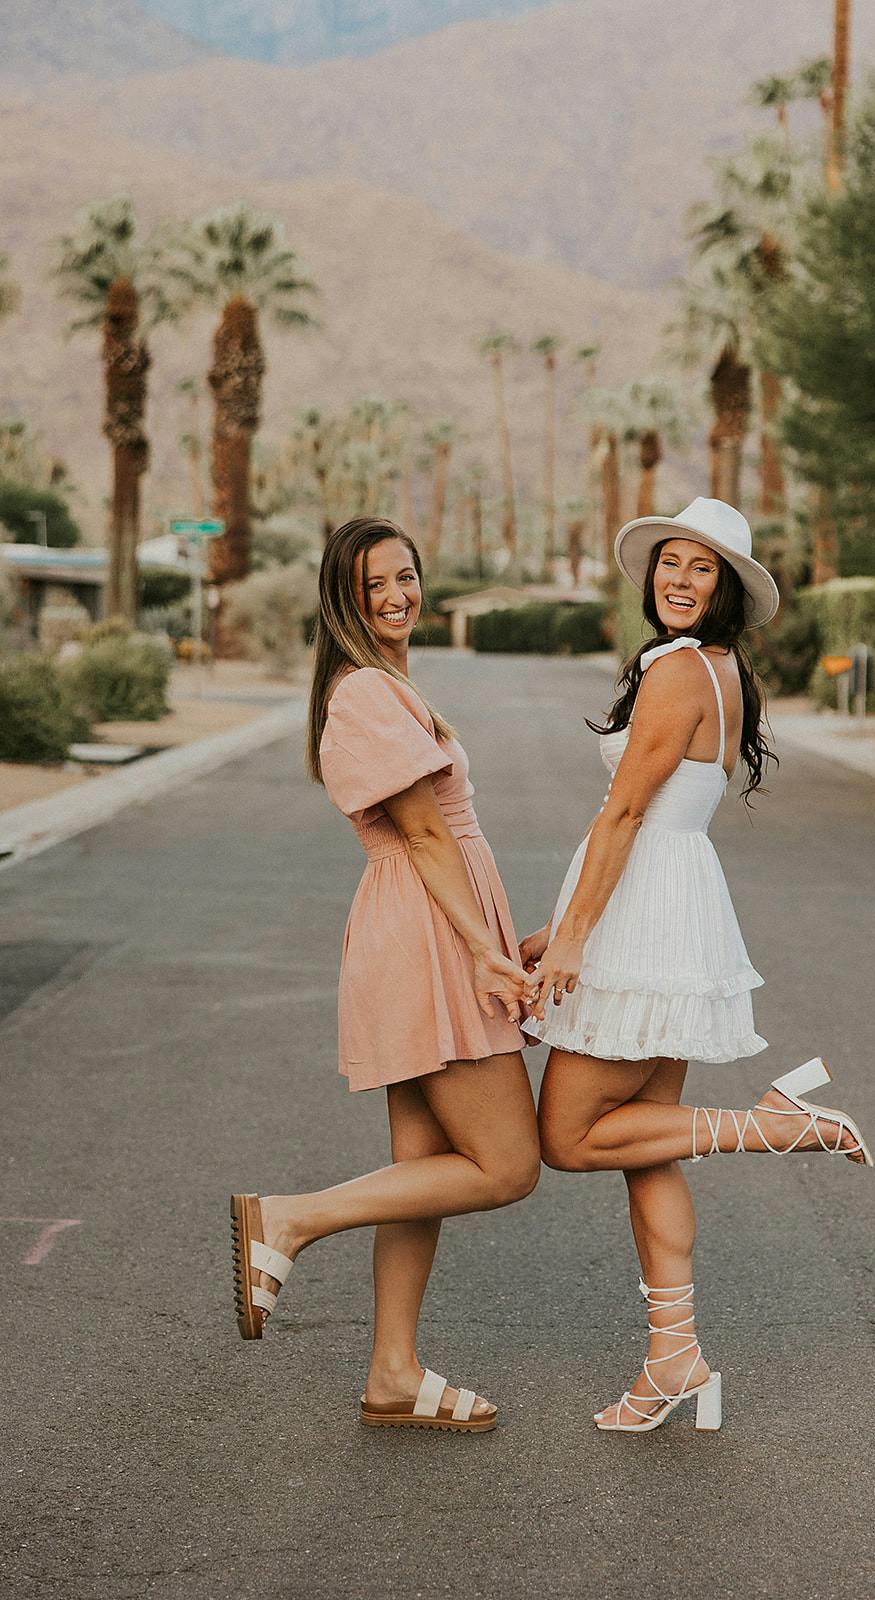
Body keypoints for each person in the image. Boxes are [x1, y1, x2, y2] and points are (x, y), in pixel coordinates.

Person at [522, 498, 872, 1435]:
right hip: (667, 907)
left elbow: (625, 815)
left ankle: (774, 1127)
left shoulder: (678, 670)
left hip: (642, 916)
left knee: (567, 1137)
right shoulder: (720, 670)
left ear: (724, 589)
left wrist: (573, 936)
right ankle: (673, 1359)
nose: (678, 579)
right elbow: (658, 813)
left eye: (700, 567)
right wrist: (558, 925)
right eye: (669, 562)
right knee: (648, 1148)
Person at [231, 517, 540, 1434]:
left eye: (406, 576)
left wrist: (499, 935)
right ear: (344, 598)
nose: (398, 595)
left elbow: (438, 838)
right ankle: (288, 1220)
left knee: (426, 1167)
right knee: (507, 1165)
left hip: (429, 928)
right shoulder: (365, 690)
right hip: (428, 937)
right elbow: (425, 833)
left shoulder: (383, 684)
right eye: (375, 585)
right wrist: (481, 948)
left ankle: (392, 1371)